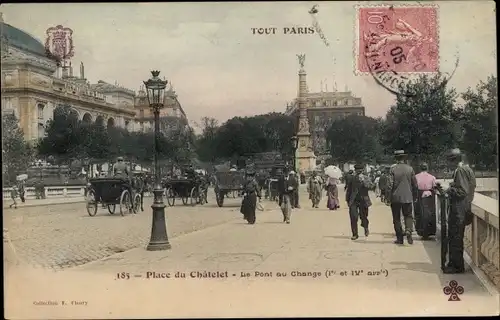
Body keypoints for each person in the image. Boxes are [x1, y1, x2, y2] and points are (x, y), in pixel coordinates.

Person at [440, 148, 476, 274]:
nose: (448, 164)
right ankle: (455, 263)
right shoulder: (466, 169)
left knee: (455, 237)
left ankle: (457, 266)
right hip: (463, 207)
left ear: (453, 160)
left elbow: (462, 192)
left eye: (449, 161)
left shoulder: (460, 171)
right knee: (456, 237)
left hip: (458, 209)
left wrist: (448, 189)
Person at [387, 150, 418, 245]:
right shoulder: (410, 169)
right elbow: (415, 184)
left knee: (396, 218)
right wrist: (415, 196)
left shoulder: (393, 169)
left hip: (395, 197)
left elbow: (389, 185)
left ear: (396, 158)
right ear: (404, 158)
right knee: (408, 215)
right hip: (408, 196)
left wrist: (388, 198)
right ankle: (408, 230)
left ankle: (400, 238)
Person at [345, 164, 373, 240]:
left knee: (364, 216)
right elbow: (349, 190)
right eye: (357, 170)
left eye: (360, 170)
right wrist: (347, 200)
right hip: (354, 200)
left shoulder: (366, 178)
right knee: (353, 217)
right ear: (355, 171)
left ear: (363, 171)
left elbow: (371, 187)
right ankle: (355, 234)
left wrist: (364, 181)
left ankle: (365, 227)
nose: (359, 172)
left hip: (363, 200)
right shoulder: (352, 178)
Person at [415, 163, 437, 240]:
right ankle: (428, 232)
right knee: (429, 214)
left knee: (420, 213)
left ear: (420, 168)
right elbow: (435, 186)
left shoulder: (416, 176)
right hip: (429, 196)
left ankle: (421, 231)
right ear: (427, 168)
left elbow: (414, 186)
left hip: (419, 195)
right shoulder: (432, 177)